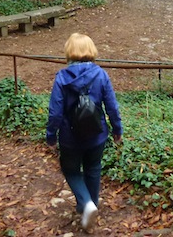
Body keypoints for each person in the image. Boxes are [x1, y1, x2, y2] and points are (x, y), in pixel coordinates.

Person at [46, 33, 122, 234]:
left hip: (70, 138)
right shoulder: (100, 75)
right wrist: (117, 129)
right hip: (97, 135)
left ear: (69, 51)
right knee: (93, 167)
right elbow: (112, 106)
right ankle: (89, 207)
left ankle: (86, 204)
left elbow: (55, 111)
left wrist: (51, 135)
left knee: (71, 170)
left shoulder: (62, 77)